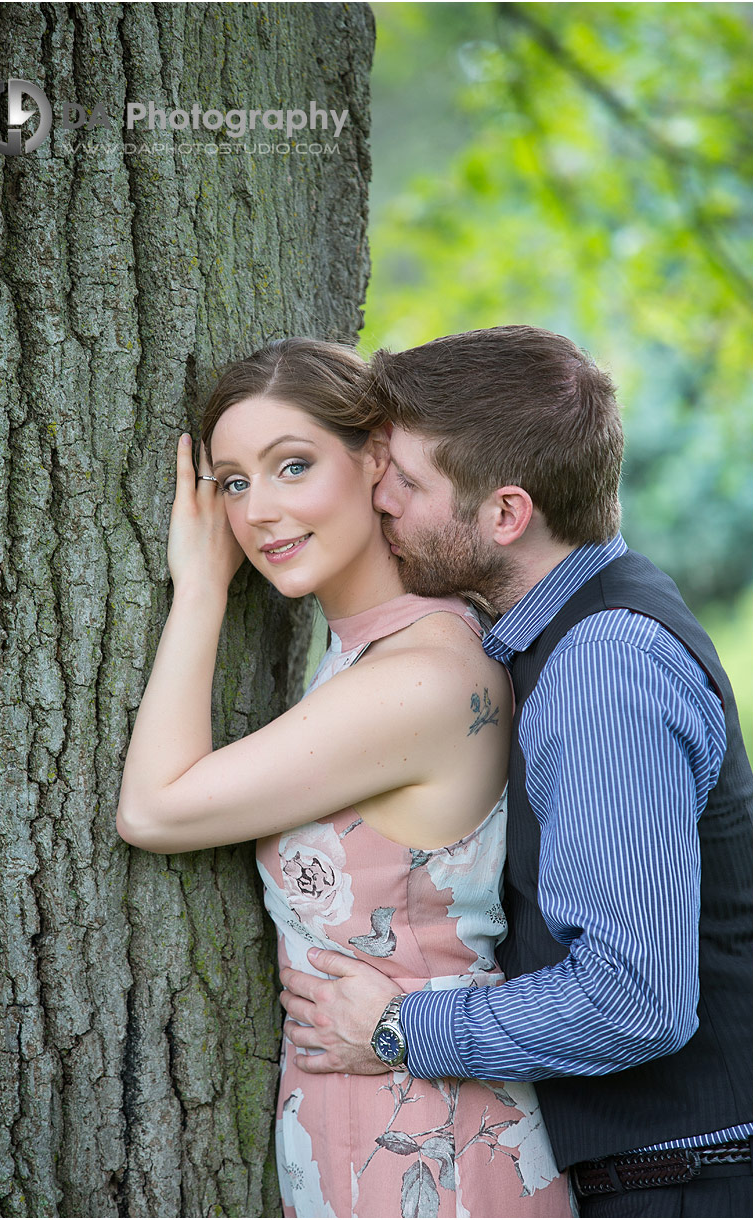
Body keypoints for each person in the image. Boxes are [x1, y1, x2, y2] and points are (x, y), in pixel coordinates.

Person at [278, 325, 753, 1219]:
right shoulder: (564, 635)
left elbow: (633, 998)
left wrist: (395, 1028)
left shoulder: (600, 667)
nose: (377, 496)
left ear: (505, 513)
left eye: (407, 482)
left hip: (690, 1185)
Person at [116, 337, 574, 1218]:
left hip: (431, 1139)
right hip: (365, 1109)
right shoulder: (371, 649)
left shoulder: (419, 678)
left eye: (293, 466)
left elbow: (153, 808)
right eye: (234, 483)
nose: (258, 513)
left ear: (376, 461)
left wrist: (202, 591)